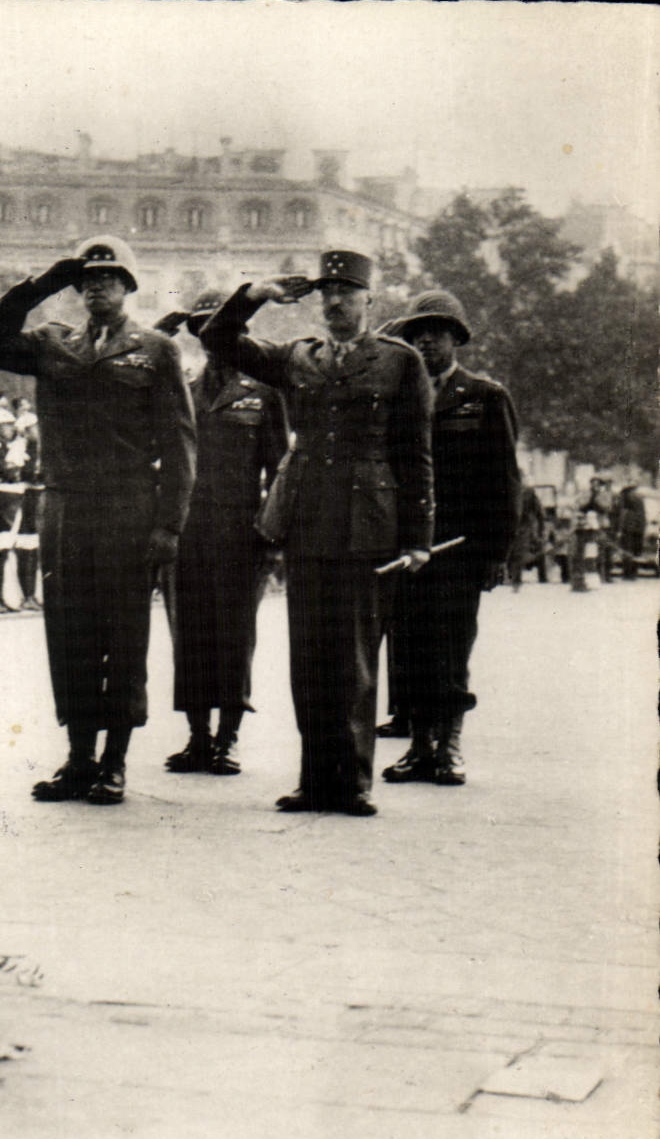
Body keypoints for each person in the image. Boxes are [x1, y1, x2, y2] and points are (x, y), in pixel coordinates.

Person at [199, 249, 434, 816]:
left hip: (366, 523)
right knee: (309, 656)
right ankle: (313, 779)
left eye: (346, 294)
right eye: (327, 294)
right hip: (306, 519)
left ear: (368, 301)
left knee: (352, 657)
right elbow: (218, 338)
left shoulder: (399, 362)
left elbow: (415, 454)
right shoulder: (297, 357)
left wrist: (418, 537)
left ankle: (351, 782)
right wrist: (255, 294)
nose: (334, 303)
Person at [0, 235, 196, 805]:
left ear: (129, 286)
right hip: (65, 506)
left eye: (109, 278)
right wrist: (42, 284)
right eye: (87, 279)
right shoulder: (51, 343)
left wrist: (169, 525)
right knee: (69, 632)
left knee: (122, 633)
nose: (98, 287)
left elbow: (180, 441)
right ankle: (77, 758)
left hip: (127, 507)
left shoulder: (157, 349)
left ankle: (114, 762)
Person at [375, 290, 519, 789]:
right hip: (406, 547)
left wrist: (497, 553)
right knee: (409, 649)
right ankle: (418, 747)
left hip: (459, 550)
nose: (427, 340)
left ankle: (450, 746)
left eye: (437, 331)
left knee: (451, 650)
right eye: (417, 333)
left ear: (456, 338)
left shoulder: (484, 396)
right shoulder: (398, 398)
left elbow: (504, 482)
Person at [153, 289, 290, 777]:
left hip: (240, 531)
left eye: (216, 328)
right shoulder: (183, 390)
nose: (209, 341)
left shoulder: (263, 392)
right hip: (186, 529)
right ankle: (197, 737)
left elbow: (280, 469)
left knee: (234, 635)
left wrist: (271, 536)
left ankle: (228, 738)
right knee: (186, 631)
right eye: (200, 330)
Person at [0, 396, 29, 613]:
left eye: (11, 424)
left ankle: (0, 596)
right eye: (5, 425)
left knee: (3, 548)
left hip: (13, 498)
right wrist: (8, 469)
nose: (10, 428)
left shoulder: (15, 446)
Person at [13, 398, 44, 611]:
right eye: (32, 428)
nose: (37, 430)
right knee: (26, 547)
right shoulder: (20, 448)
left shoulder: (42, 449)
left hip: (40, 499)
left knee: (37, 548)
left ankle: (33, 594)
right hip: (26, 499)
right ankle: (27, 594)